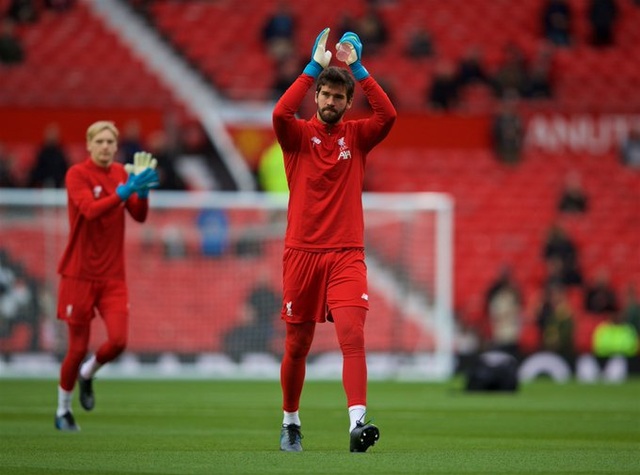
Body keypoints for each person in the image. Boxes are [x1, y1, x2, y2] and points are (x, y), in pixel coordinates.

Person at [272, 28, 396, 453]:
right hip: (301, 253)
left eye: (337, 97)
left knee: (352, 335)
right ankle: (291, 420)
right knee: (297, 344)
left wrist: (358, 68)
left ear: (346, 104)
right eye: (324, 94)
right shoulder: (297, 138)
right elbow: (279, 115)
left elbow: (388, 116)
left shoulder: (357, 138)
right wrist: (313, 69)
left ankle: (357, 424)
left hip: (346, 254)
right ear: (317, 97)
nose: (329, 101)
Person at [54, 121, 159, 431]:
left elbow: (138, 216)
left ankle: (88, 374)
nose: (104, 146)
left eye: (109, 142)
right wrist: (126, 190)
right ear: (88, 145)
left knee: (118, 341)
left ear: (116, 147)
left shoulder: (119, 173)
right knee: (75, 348)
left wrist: (141, 191)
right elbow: (90, 210)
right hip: (78, 275)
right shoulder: (77, 174)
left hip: (113, 275)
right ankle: (62, 410)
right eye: (99, 141)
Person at [27, 124, 70, 188]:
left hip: (57, 187)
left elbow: (65, 170)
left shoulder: (61, 153)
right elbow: (37, 171)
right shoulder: (41, 152)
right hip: (43, 186)